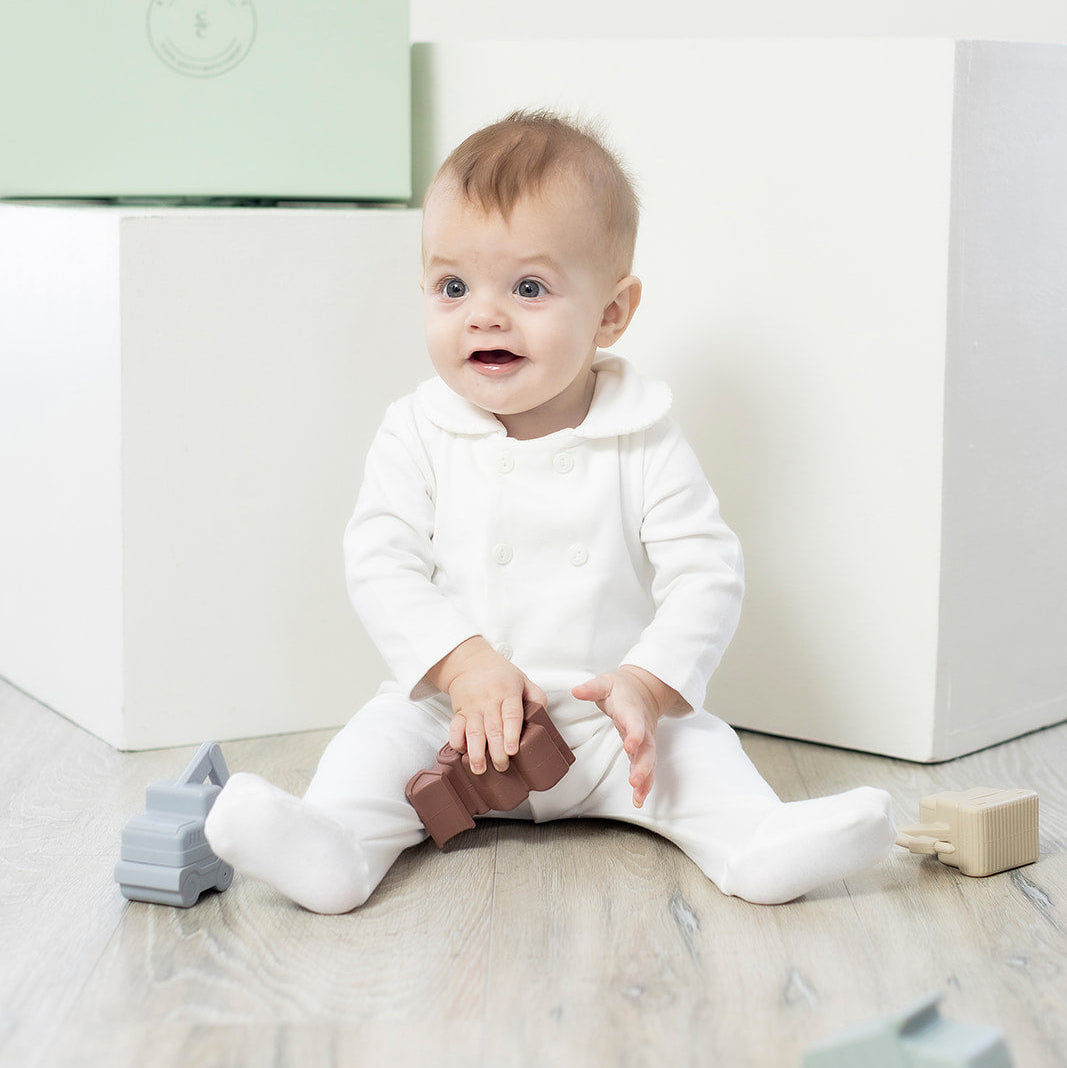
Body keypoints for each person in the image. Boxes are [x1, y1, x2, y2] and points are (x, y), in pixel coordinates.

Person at [205, 110, 896, 913]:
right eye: (452, 286)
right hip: (452, 719)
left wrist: (648, 684)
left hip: (608, 723)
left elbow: (705, 572)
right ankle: (334, 848)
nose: (483, 314)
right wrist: (462, 666)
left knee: (698, 752)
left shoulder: (643, 435)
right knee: (374, 745)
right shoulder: (417, 429)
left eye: (528, 288)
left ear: (611, 312)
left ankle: (756, 843)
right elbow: (380, 563)